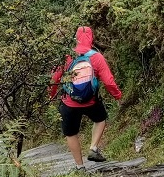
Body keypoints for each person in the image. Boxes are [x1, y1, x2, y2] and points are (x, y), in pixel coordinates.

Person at [49, 25, 122, 169]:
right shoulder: (96, 57)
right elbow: (108, 81)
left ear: (76, 38)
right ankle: (93, 148)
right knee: (100, 119)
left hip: (69, 102)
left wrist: (51, 96)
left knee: (71, 133)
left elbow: (54, 79)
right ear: (91, 38)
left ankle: (79, 167)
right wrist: (118, 96)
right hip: (91, 101)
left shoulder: (66, 56)